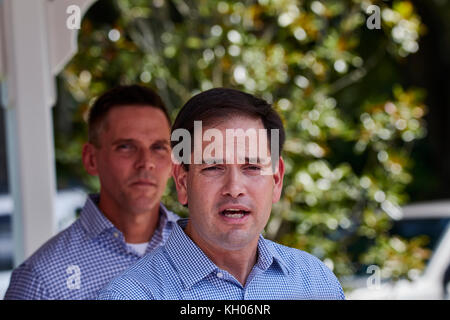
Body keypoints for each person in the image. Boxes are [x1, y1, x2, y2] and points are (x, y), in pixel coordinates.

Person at [98, 87, 345, 300]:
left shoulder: (316, 282)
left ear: (277, 179)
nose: (235, 188)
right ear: (183, 182)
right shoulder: (131, 295)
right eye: (214, 167)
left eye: (252, 167)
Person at [5, 85, 180, 299]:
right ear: (91, 159)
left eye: (158, 147)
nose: (146, 163)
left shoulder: (207, 252)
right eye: (126, 147)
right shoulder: (41, 281)